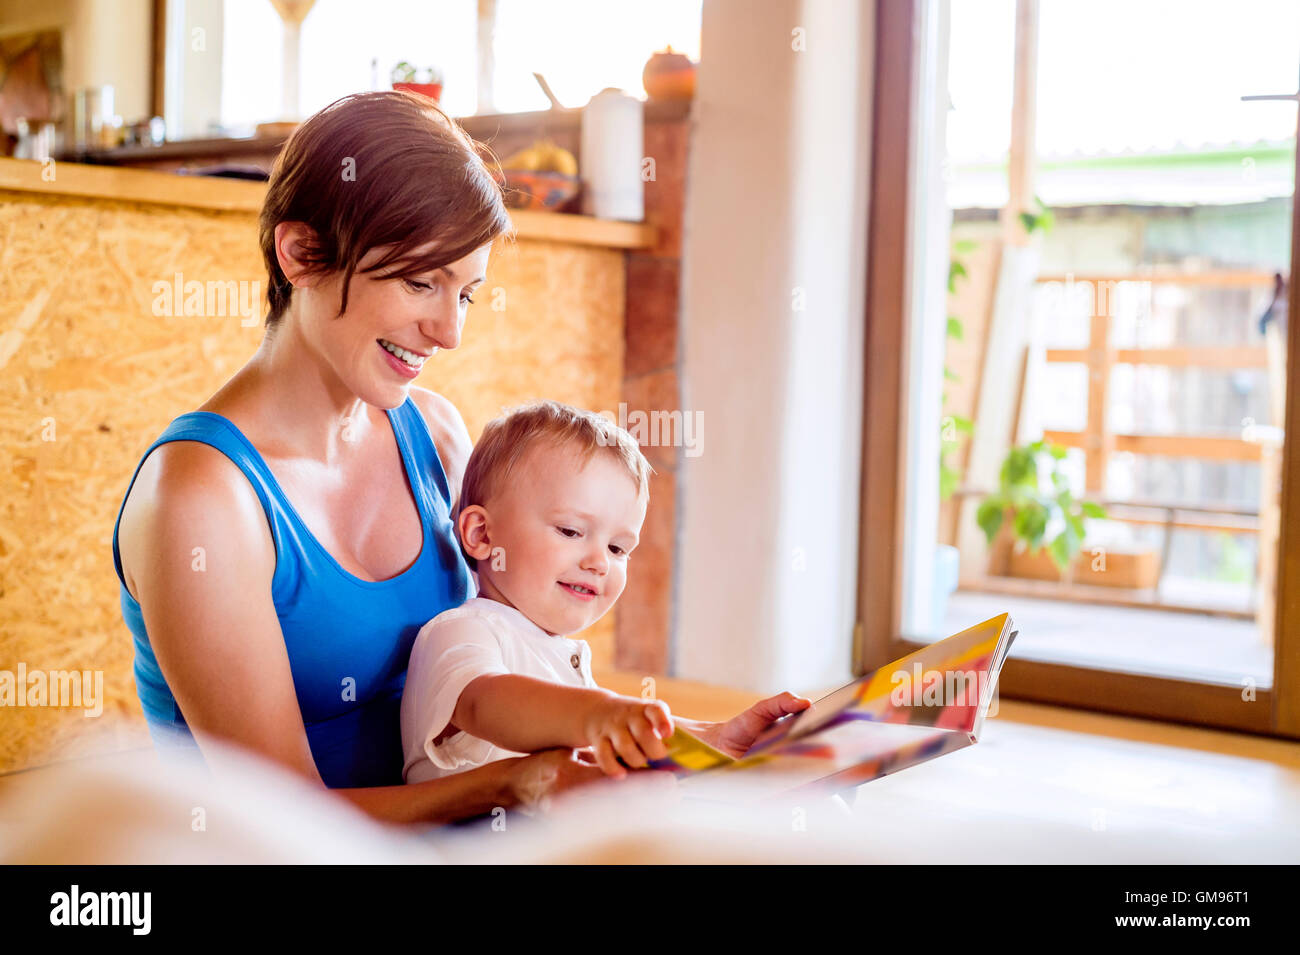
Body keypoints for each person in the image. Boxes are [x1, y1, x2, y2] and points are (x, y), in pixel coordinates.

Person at [111, 91, 809, 826]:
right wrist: (516, 784)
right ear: (300, 254)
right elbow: (283, 826)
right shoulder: (198, 499)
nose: (448, 332)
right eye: (421, 283)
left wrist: (699, 746)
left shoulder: (436, 437)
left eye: (467, 293)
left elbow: (499, 666)